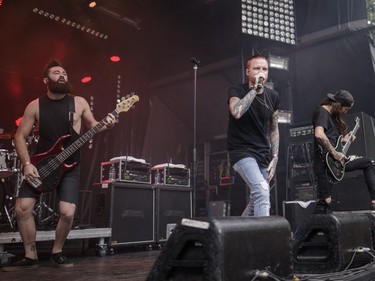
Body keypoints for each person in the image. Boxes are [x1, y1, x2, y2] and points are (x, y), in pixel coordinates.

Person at [3, 59, 116, 271]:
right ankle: (30, 255)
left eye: (64, 72)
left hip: (70, 165)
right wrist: (27, 164)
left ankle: (57, 251)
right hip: (41, 164)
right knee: (22, 208)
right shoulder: (35, 105)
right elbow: (19, 136)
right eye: (56, 73)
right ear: (46, 80)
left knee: (67, 212)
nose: (62, 75)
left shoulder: (80, 102)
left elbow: (94, 126)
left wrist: (107, 124)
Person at [227, 55, 280, 217]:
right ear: (247, 71)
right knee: (262, 192)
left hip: (263, 153)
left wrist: (275, 156)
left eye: (264, 69)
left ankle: (239, 236)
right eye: (257, 68)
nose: (261, 72)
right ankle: (263, 240)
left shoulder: (273, 96)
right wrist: (254, 90)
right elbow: (236, 112)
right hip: (241, 151)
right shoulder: (236, 90)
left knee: (258, 198)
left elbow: (274, 129)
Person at [312, 90, 375, 214]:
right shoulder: (321, 112)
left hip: (336, 161)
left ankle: (374, 201)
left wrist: (344, 140)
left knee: (368, 163)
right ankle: (307, 232)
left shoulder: (331, 116)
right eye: (345, 109)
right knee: (325, 202)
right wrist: (336, 154)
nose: (345, 112)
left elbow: (331, 141)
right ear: (338, 105)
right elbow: (319, 135)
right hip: (325, 163)